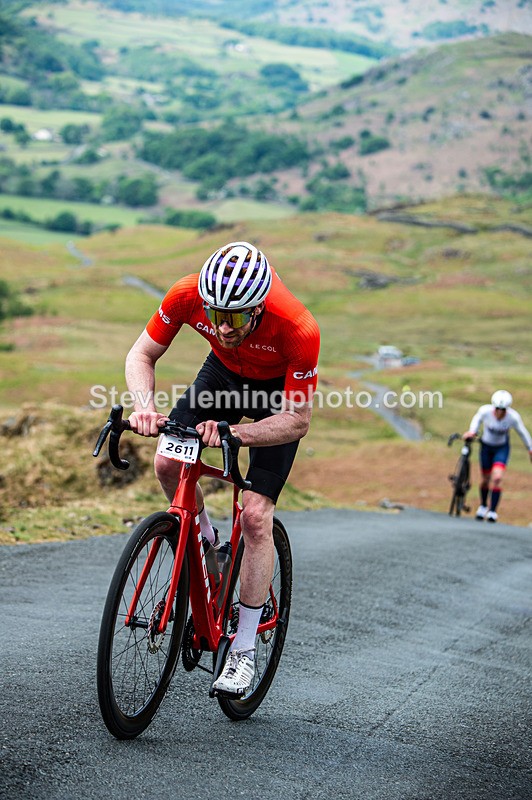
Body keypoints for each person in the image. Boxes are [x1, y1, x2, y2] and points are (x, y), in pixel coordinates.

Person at [125, 241, 320, 695]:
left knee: (254, 515)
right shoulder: (185, 295)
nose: (221, 326)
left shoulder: (297, 327)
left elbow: (297, 420)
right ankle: (208, 543)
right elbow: (141, 355)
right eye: (214, 315)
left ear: (257, 309)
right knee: (168, 462)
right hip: (224, 378)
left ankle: (244, 651)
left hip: (275, 395)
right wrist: (145, 409)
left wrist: (236, 434)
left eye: (233, 319)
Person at [463, 390, 532, 522]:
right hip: (486, 447)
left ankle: (492, 511)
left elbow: (523, 433)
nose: (500, 412)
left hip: (501, 448)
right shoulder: (485, 411)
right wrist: (472, 432)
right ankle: (483, 506)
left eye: (503, 409)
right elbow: (476, 420)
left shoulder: (513, 417)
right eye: (498, 409)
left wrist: (530, 448)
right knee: (485, 479)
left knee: (497, 477)